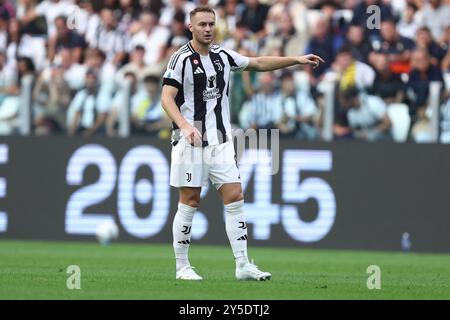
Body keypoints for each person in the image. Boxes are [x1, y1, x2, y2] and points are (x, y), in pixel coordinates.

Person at [161, 5, 324, 281]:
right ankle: (182, 267)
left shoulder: (223, 55)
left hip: (221, 141)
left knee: (235, 196)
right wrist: (186, 126)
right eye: (202, 24)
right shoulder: (180, 60)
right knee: (189, 201)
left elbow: (257, 63)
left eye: (211, 24)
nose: (208, 29)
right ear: (191, 27)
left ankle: (242, 265)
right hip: (190, 141)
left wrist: (295, 59)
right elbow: (166, 98)